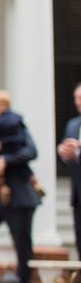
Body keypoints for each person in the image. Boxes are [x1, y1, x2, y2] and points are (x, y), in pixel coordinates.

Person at [0, 91, 38, 283]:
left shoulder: (16, 127)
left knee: (23, 247)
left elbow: (31, 151)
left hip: (19, 197)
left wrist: (5, 160)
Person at [58, 83, 81, 256]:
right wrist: (64, 152)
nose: (78, 102)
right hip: (78, 194)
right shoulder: (72, 124)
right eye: (76, 98)